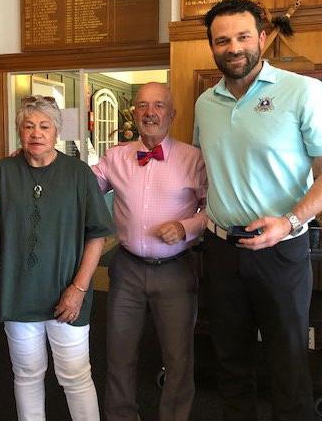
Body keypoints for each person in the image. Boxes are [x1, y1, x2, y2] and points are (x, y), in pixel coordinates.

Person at [194, 0, 322, 421]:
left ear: (262, 38)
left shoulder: (302, 91)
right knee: (230, 362)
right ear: (211, 46)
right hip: (222, 249)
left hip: (281, 250)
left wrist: (289, 221)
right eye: (222, 40)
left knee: (287, 364)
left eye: (243, 36)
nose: (234, 47)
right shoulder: (205, 103)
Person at [0, 95, 114, 421]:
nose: (36, 133)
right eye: (28, 126)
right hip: (18, 294)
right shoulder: (1, 172)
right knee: (26, 374)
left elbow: (97, 235)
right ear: (19, 131)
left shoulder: (78, 173)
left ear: (57, 131)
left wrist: (79, 289)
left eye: (44, 126)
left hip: (67, 295)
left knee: (75, 375)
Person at [92, 82, 208, 421]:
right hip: (127, 269)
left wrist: (186, 227)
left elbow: (213, 210)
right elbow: (82, 188)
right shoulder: (115, 157)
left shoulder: (193, 158)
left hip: (176, 270)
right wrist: (43, 161)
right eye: (142, 105)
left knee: (178, 358)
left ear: (172, 114)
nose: (150, 112)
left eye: (158, 105)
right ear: (134, 113)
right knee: (119, 353)